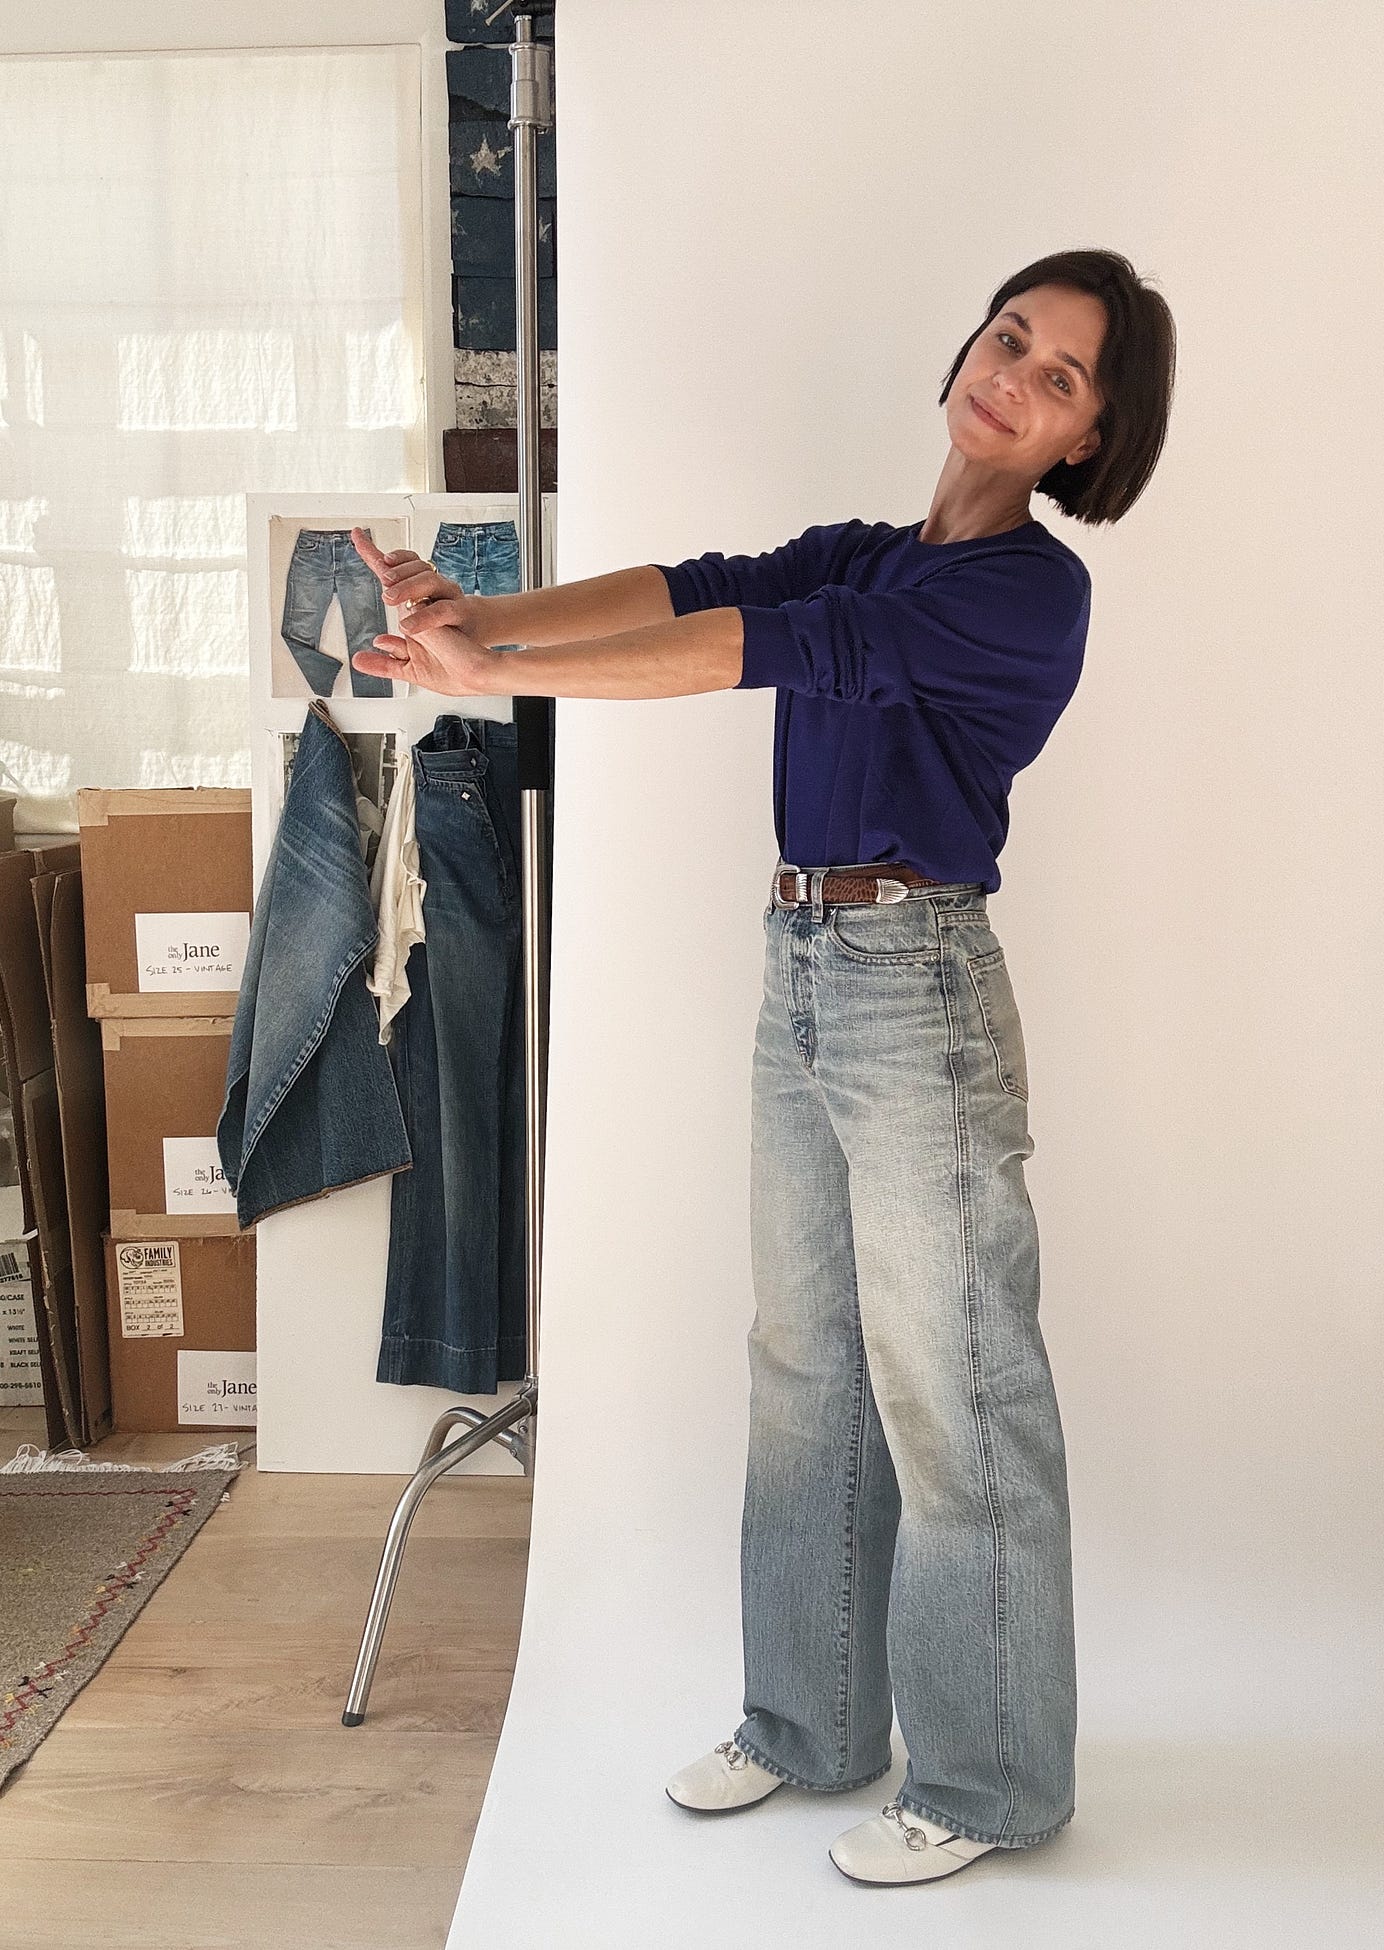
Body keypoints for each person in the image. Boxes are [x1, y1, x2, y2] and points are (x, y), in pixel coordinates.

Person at [352, 247, 1177, 1889]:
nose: (1013, 373)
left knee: (956, 1386)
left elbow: (774, 647)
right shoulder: (873, 551)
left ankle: (993, 1775)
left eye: (1061, 377)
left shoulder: (1022, 596)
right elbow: (696, 588)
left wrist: (498, 678)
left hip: (920, 991)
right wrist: (479, 618)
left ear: (1086, 440)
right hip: (801, 961)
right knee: (805, 1361)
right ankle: (808, 1722)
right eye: (1010, 335)